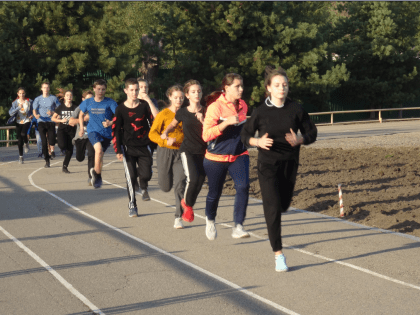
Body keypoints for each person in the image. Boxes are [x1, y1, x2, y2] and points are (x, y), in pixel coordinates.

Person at [241, 66, 317, 272]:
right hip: (267, 165)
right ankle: (279, 254)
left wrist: (301, 139)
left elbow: (312, 132)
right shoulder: (261, 112)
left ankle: (280, 212)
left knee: (283, 205)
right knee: (272, 208)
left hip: (289, 163)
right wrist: (257, 142)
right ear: (269, 88)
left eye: (285, 85)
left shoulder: (296, 109)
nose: (282, 88)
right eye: (277, 85)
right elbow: (244, 135)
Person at [202, 73, 250, 241]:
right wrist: (226, 123)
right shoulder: (215, 107)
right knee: (215, 193)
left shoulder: (243, 105)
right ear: (227, 88)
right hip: (216, 158)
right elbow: (206, 135)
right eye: (237, 86)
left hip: (239, 154)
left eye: (241, 86)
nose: (241, 89)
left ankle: (238, 226)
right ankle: (210, 219)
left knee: (243, 187)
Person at [161, 80, 207, 223]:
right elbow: (173, 124)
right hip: (187, 150)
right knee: (192, 178)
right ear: (187, 95)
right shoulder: (182, 112)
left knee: (200, 181)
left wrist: (203, 120)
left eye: (199, 91)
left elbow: (212, 132)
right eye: (193, 92)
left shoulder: (206, 111)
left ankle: (188, 205)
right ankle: (187, 205)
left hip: (203, 152)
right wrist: (165, 133)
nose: (197, 94)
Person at [112, 78, 154, 217]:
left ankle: (143, 184)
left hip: (144, 145)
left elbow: (153, 122)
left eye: (137, 90)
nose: (134, 92)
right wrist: (117, 149)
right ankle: (132, 205)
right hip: (127, 148)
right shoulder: (120, 109)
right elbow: (116, 130)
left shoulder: (144, 106)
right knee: (130, 177)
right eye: (131, 90)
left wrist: (153, 143)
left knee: (146, 174)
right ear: (126, 91)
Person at [149, 85, 186, 229]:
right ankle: (164, 181)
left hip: (181, 152)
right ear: (170, 97)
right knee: (165, 186)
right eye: (176, 97)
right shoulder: (163, 114)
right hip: (165, 151)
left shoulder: (186, 112)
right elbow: (152, 134)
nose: (179, 100)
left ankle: (178, 217)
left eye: (181, 97)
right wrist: (165, 140)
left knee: (180, 183)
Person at [78, 79, 117, 188]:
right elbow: (81, 115)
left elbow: (119, 116)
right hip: (93, 131)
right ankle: (98, 176)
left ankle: (95, 172)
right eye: (98, 89)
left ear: (106, 90)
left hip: (106, 133)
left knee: (100, 155)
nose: (100, 91)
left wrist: (111, 122)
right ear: (94, 89)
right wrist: (81, 128)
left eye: (103, 89)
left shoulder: (110, 102)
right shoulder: (88, 102)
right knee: (98, 150)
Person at [69, 90, 95, 185]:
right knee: (80, 158)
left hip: (92, 135)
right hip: (80, 136)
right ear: (83, 99)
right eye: (88, 99)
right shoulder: (79, 108)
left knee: (92, 153)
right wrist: (84, 119)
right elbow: (71, 122)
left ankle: (91, 177)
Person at [33, 82, 61, 167]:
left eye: (47, 87)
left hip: (50, 121)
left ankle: (52, 151)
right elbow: (34, 109)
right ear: (41, 89)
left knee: (52, 140)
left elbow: (59, 108)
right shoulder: (38, 99)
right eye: (44, 87)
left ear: (49, 89)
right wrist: (35, 115)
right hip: (41, 121)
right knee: (43, 142)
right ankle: (47, 160)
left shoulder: (53, 98)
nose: (45, 89)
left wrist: (53, 112)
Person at [51, 90, 78, 173]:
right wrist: (61, 120)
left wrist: (75, 122)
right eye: (67, 95)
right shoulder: (60, 107)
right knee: (61, 145)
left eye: (70, 95)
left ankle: (65, 166)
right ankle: (63, 149)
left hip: (72, 130)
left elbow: (81, 118)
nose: (69, 97)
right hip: (62, 129)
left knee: (70, 150)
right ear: (64, 97)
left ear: (72, 97)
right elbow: (53, 118)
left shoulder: (75, 107)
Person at [9, 87, 33, 163]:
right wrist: (19, 107)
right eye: (20, 93)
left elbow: (33, 110)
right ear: (18, 94)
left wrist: (32, 114)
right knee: (19, 140)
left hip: (27, 120)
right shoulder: (15, 103)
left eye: (23, 93)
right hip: (18, 121)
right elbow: (10, 113)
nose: (21, 95)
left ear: (25, 94)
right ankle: (21, 157)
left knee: (23, 134)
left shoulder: (29, 101)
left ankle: (26, 143)